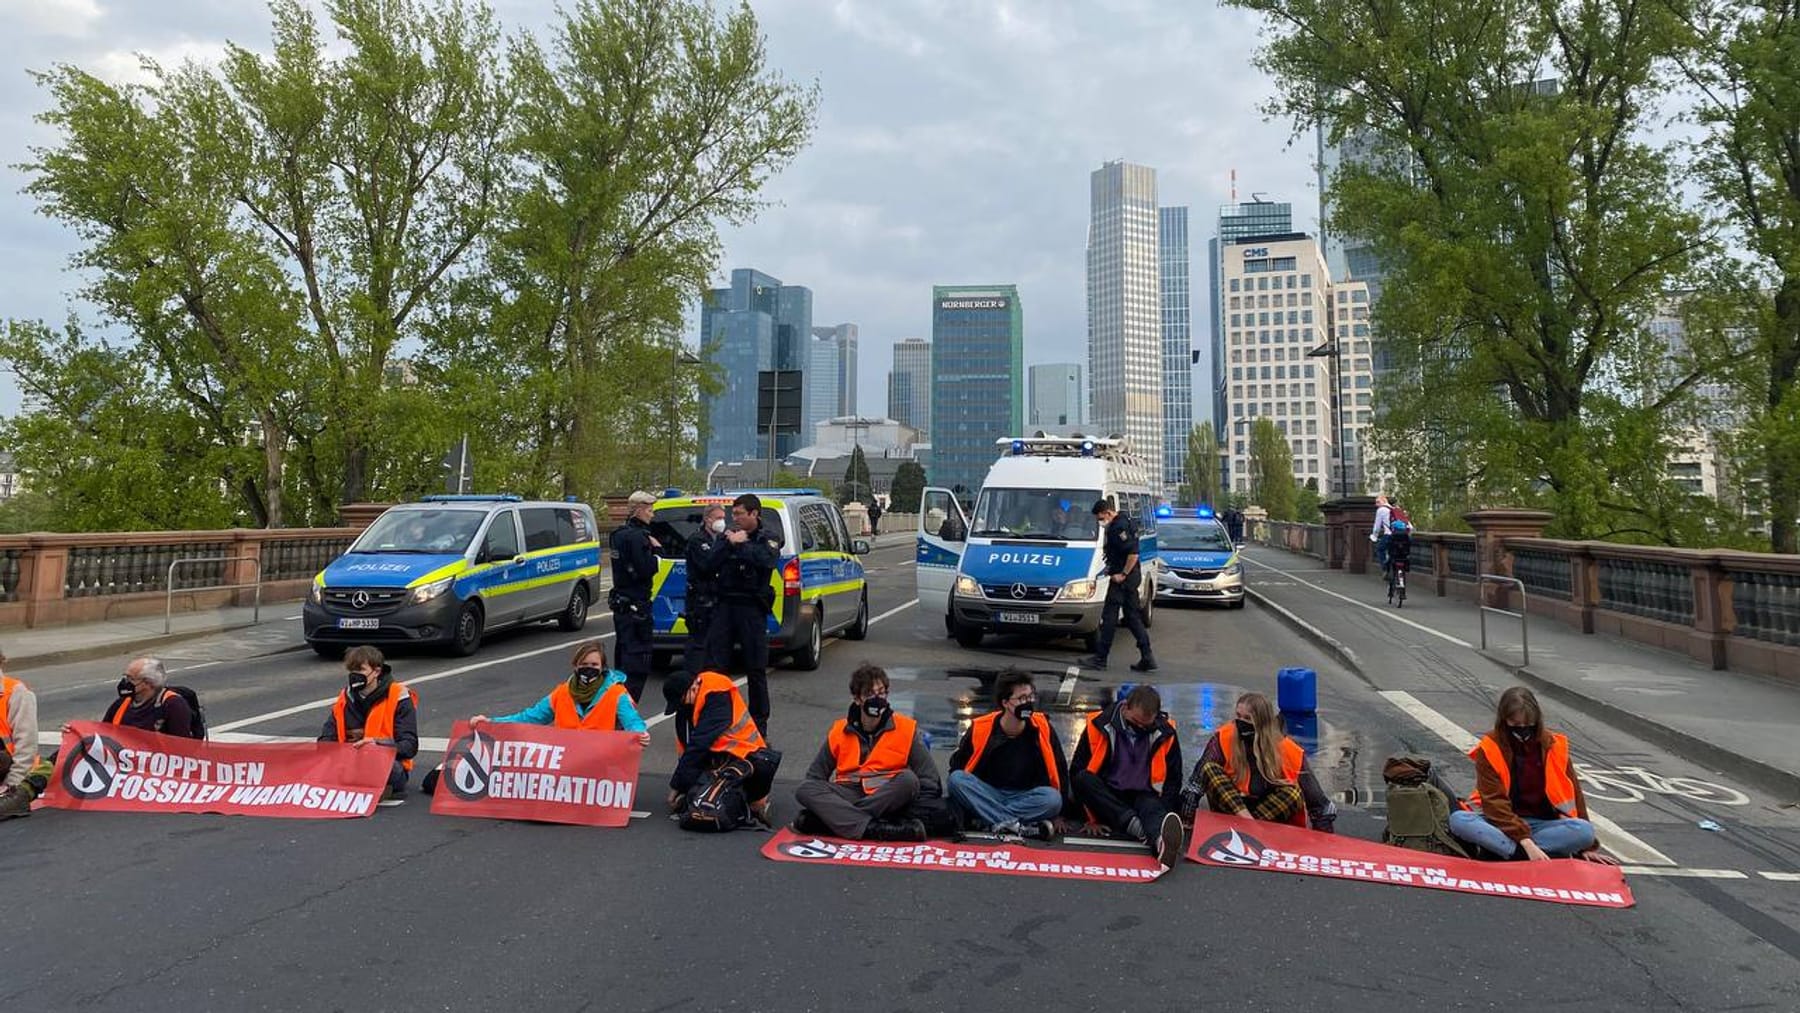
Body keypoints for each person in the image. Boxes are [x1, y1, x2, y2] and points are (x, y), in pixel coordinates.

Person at [1449, 686, 1619, 864]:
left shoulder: (1554, 746)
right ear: (1504, 720)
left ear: (1537, 722)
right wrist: (1526, 842)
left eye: (1528, 726)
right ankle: (1526, 852)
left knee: (1584, 831)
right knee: (1459, 820)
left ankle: (1506, 850)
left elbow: (1576, 795)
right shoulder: (1490, 748)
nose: (1523, 730)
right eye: (1515, 725)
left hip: (1542, 824)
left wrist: (1586, 847)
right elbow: (1494, 803)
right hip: (1500, 822)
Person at [793, 663, 940, 842]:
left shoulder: (906, 728)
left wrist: (905, 807)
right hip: (849, 793)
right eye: (870, 694)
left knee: (909, 780)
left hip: (888, 795)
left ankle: (841, 820)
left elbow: (931, 781)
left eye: (881, 693)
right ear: (857, 699)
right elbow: (815, 777)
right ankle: (873, 828)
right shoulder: (840, 730)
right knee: (805, 789)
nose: (877, 699)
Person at [1181, 691, 1337, 831]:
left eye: (1248, 718)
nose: (1241, 722)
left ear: (1262, 722)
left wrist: (1324, 841)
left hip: (1267, 814)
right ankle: (1250, 827)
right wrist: (1186, 819)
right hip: (1232, 807)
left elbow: (1319, 803)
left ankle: (1249, 829)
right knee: (1209, 768)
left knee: (1293, 792)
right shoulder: (1224, 737)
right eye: (1238, 716)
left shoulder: (1288, 750)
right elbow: (1195, 784)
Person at [1068, 685, 1185, 868]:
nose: (1139, 727)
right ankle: (1144, 830)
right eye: (1135, 722)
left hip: (1145, 793)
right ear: (1125, 708)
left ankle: (1162, 844)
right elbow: (1076, 770)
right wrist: (1089, 819)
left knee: (1152, 808)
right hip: (1109, 792)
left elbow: (1173, 779)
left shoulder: (1166, 732)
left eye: (1145, 726)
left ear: (1156, 716)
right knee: (1084, 779)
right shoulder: (1098, 724)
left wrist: (1165, 810)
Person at [946, 668, 1069, 840]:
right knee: (956, 780)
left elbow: (1060, 769)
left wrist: (1059, 814)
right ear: (1005, 702)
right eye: (1021, 699)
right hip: (989, 793)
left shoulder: (1042, 727)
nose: (1028, 703)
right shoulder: (982, 727)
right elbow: (957, 767)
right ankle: (1018, 826)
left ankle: (990, 818)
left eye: (1030, 697)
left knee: (1053, 799)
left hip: (1025, 796)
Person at [705, 493, 780, 738]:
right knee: (717, 667)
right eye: (733, 514)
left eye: (739, 514)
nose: (734, 518)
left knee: (756, 668)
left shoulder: (767, 538)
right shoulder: (727, 536)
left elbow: (766, 560)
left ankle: (759, 726)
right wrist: (728, 543)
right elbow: (709, 564)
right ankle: (718, 720)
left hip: (751, 608)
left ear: (754, 514)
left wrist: (742, 544)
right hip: (725, 606)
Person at [472, 640, 650, 743]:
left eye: (594, 665)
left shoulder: (616, 694)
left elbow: (632, 721)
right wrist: (490, 722)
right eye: (584, 665)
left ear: (602, 667)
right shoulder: (562, 693)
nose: (589, 669)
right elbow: (530, 718)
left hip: (600, 768)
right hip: (567, 768)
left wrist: (640, 734)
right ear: (575, 666)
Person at [664, 668, 779, 827]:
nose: (682, 705)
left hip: (746, 755)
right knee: (704, 794)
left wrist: (677, 785)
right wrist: (683, 784)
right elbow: (689, 748)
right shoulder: (689, 705)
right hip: (720, 757)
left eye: (682, 700)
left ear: (693, 688)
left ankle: (752, 803)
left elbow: (700, 744)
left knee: (739, 787)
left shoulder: (717, 693)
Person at [319, 645, 418, 805]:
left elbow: (410, 746)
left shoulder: (398, 696)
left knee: (385, 768)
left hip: (387, 765)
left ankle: (371, 786)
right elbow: (325, 740)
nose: (355, 676)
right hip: (350, 762)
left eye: (361, 670)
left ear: (377, 671)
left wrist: (377, 745)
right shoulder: (345, 699)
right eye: (352, 671)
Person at [1080, 497, 1156, 672]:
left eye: (1100, 518)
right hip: (1129, 577)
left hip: (1123, 580)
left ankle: (1100, 659)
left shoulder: (1118, 527)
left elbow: (1133, 554)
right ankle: (1147, 656)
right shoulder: (1125, 519)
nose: (1100, 522)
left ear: (1107, 513)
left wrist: (1122, 574)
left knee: (1109, 617)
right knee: (1132, 617)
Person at [609, 490, 661, 702]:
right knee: (638, 664)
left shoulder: (617, 534)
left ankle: (616, 711)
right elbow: (645, 568)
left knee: (622, 663)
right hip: (636, 606)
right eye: (649, 510)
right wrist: (657, 552)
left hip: (621, 605)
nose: (652, 515)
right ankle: (624, 721)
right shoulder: (639, 538)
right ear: (639, 510)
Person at [0, 653, 49, 819]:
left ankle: (15, 801)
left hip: (9, 768)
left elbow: (26, 745)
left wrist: (12, 786)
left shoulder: (16, 692)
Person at [683, 503, 728, 678]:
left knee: (713, 644)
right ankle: (693, 678)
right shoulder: (698, 540)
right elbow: (708, 564)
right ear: (707, 519)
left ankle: (709, 677)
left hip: (715, 598)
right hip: (700, 600)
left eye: (723, 518)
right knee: (698, 643)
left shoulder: (717, 539)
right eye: (718, 518)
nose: (721, 522)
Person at [101, 657, 197, 737]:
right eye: (125, 677)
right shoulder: (121, 704)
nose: (125, 682)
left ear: (147, 683)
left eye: (130, 678)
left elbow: (181, 748)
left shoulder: (173, 705)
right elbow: (102, 733)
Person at [1370, 494, 1393, 572]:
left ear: (1384, 501)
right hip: (1403, 535)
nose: (1376, 504)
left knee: (1380, 549)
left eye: (1378, 502)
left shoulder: (1381, 510)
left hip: (1389, 535)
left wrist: (1374, 536)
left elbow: (1377, 526)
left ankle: (1385, 568)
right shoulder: (1395, 509)